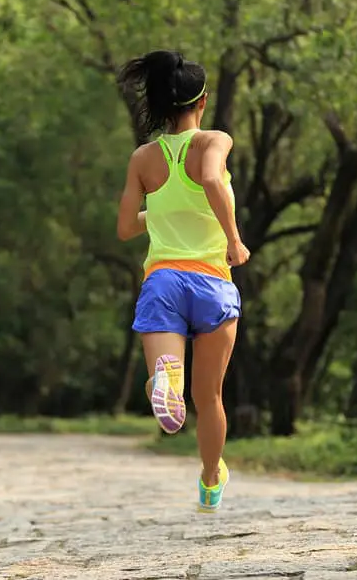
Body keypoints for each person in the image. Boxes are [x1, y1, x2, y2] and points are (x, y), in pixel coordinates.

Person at [115, 49, 250, 512]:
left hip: (164, 281)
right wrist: (234, 240)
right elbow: (211, 181)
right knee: (208, 395)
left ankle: (162, 378)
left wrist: (161, 209)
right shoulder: (215, 140)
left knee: (169, 375)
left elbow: (126, 228)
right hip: (212, 282)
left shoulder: (143, 157)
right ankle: (211, 478)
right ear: (202, 101)